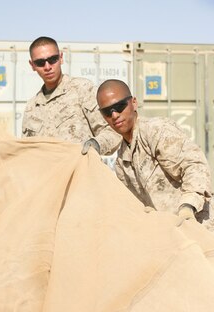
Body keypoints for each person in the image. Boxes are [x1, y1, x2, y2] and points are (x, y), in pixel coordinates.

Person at [94, 78, 214, 230]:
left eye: (119, 106)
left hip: (200, 225)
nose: (115, 115)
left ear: (134, 103)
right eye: (107, 112)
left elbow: (195, 165)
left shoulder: (156, 131)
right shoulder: (122, 162)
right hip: (171, 235)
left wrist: (187, 207)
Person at [22, 37, 121, 156]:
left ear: (61, 58)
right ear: (32, 65)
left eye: (53, 59)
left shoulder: (82, 90)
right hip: (46, 174)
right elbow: (26, 152)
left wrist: (95, 145)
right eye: (40, 62)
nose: (47, 67)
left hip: (80, 172)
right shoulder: (31, 108)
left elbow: (112, 131)